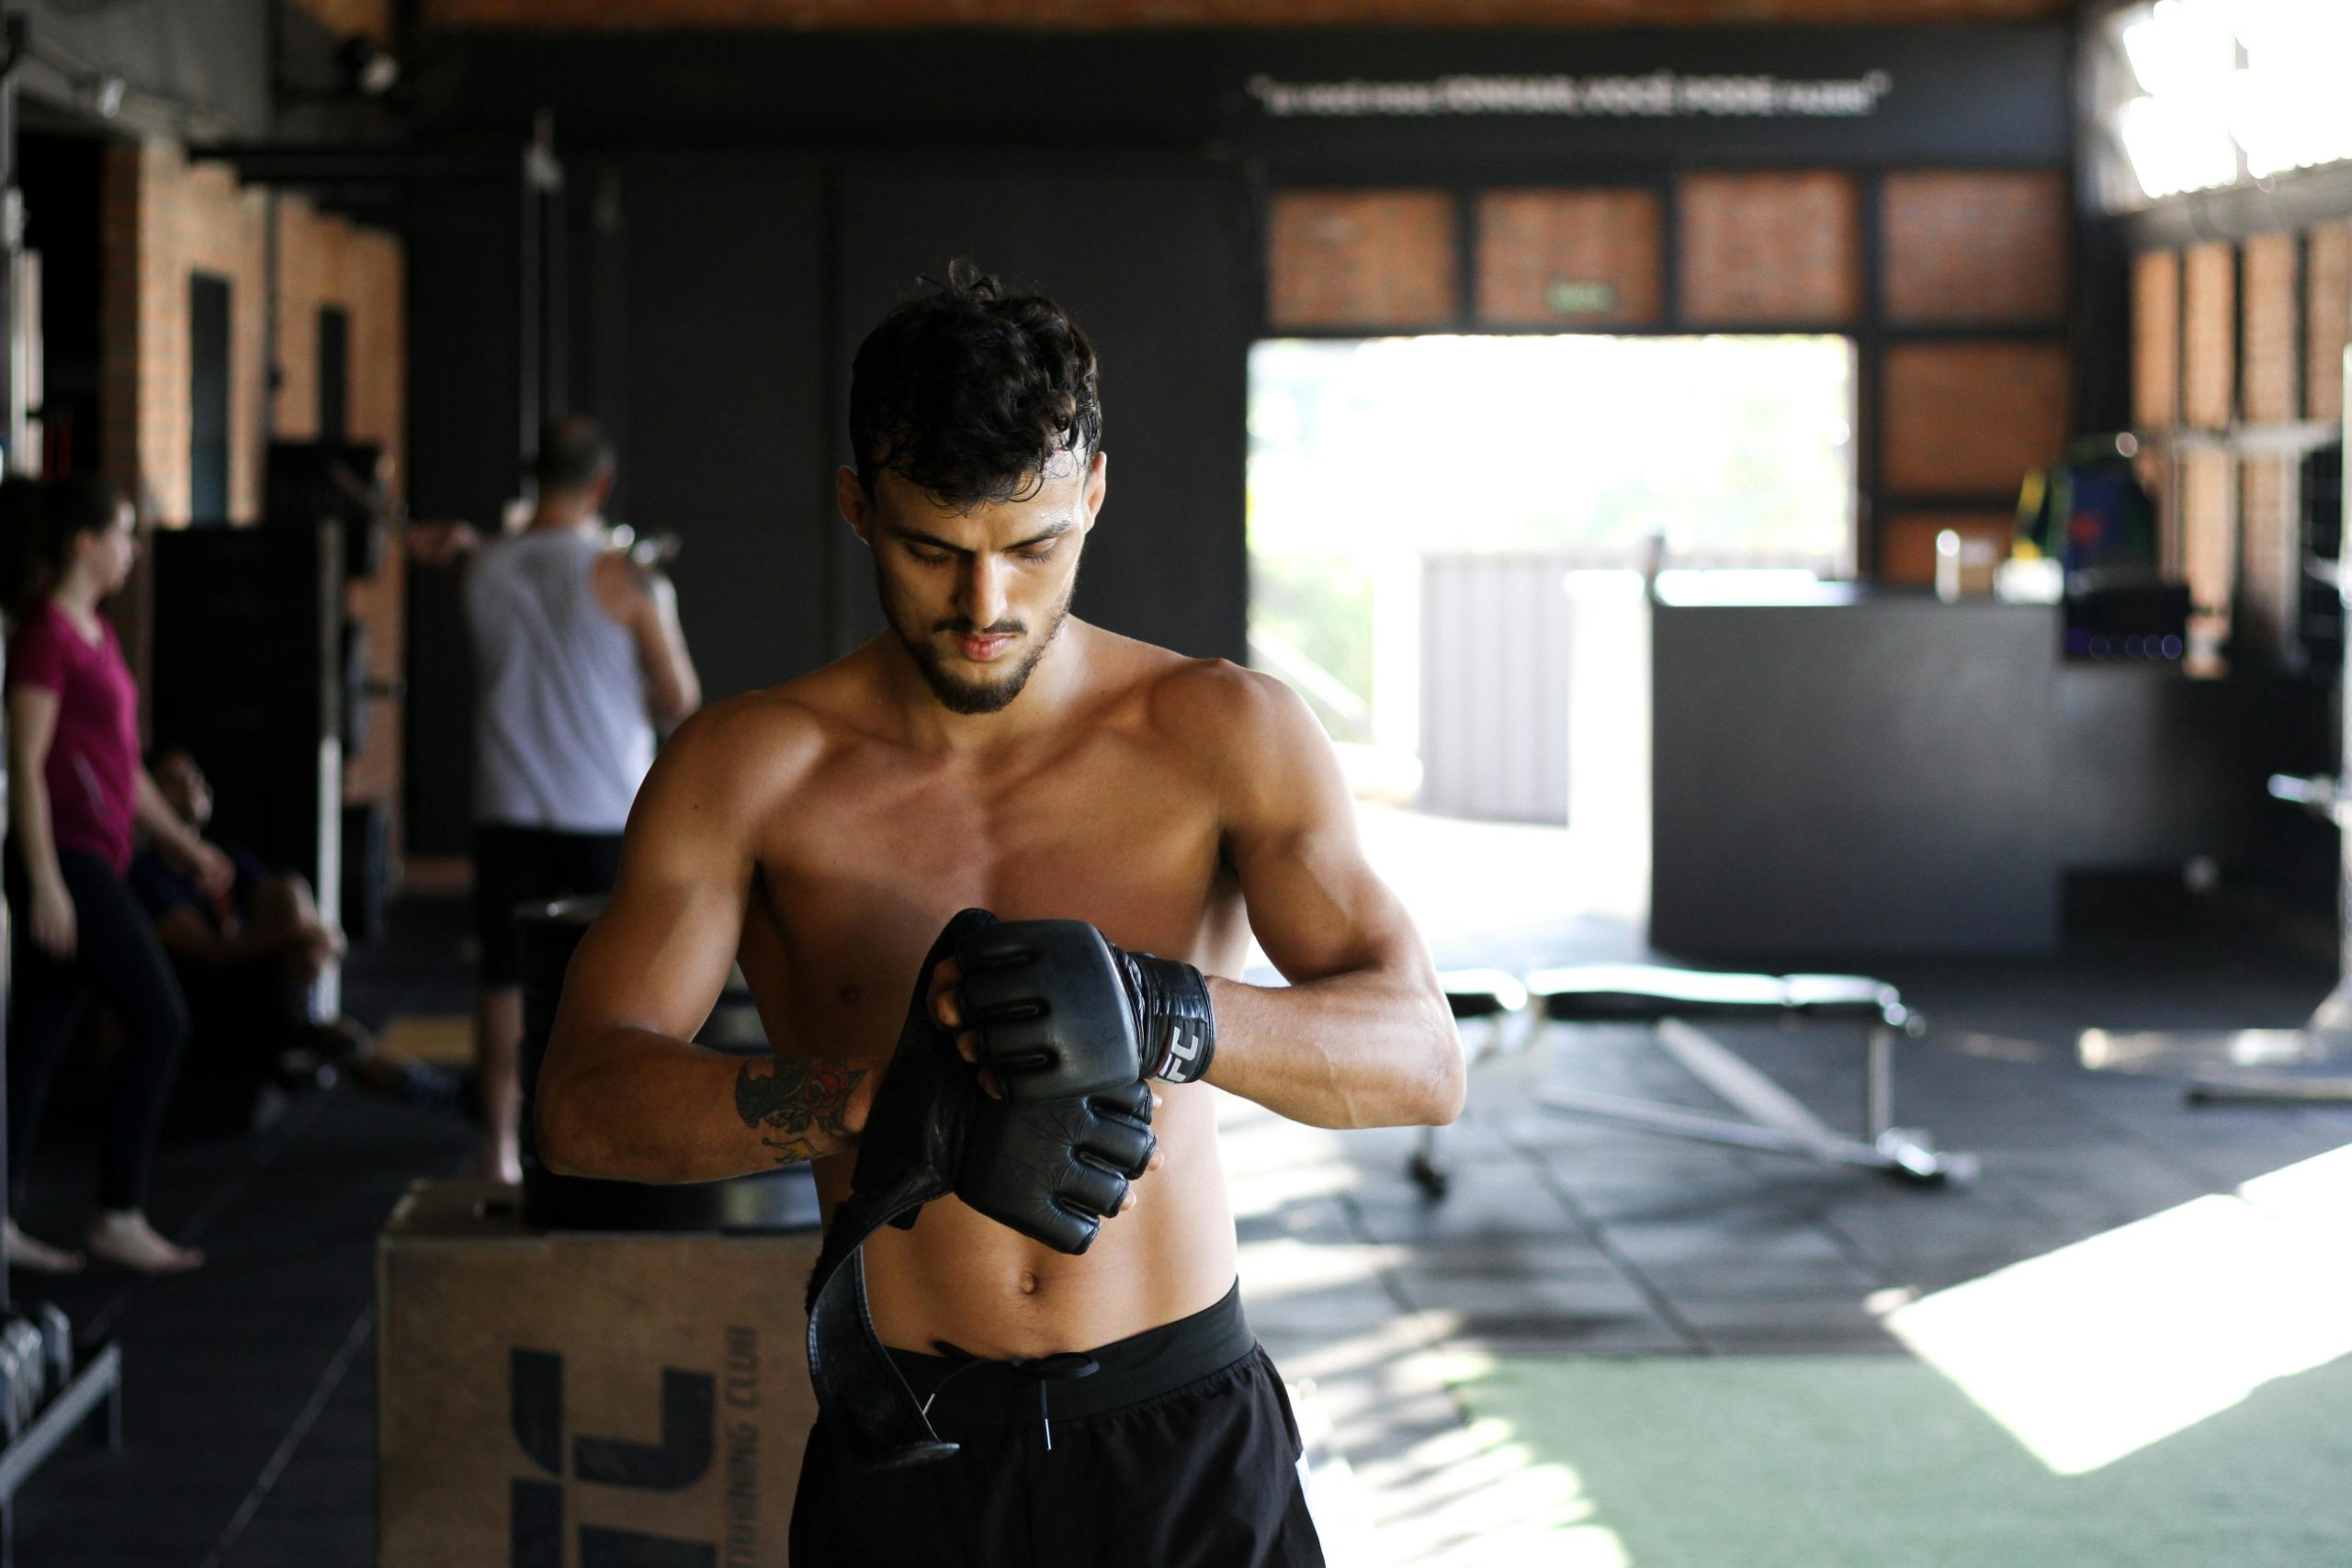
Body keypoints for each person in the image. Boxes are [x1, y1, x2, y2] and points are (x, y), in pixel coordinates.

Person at [534, 265, 1461, 1565]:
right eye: (933, 550)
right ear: (858, 506)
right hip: (912, 1449)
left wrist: (1167, 1009)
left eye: (1032, 548)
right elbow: (577, 1111)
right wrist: (876, 1103)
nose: (986, 609)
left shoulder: (1224, 733)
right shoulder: (747, 769)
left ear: (1091, 490)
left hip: (1180, 1438)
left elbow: (1422, 1057)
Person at [424, 418, 701, 1183]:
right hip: (607, 807)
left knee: (505, 978)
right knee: (612, 982)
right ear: (602, 485)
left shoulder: (481, 569)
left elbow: (472, 568)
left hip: (507, 803)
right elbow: (680, 697)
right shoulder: (628, 577)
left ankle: (499, 1151)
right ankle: (607, 1141)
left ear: (528, 474)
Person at [2, 476, 228, 1275]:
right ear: (85, 542)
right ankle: (118, 1211)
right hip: (63, 858)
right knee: (162, 1021)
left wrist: (180, 845)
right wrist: (45, 881)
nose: (133, 548)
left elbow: (123, 769)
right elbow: (24, 766)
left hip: (99, 854)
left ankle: (4, 1213)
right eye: (125, 533)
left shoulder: (94, 635)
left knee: (32, 1041)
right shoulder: (45, 636)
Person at [131, 749, 458, 1120]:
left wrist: (315, 940)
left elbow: (306, 922)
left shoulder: (229, 859)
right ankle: (303, 1019)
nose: (193, 784)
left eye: (194, 775)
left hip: (264, 992)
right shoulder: (149, 875)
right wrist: (298, 933)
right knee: (339, 1036)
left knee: (289, 890)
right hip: (204, 1007)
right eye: (174, 780)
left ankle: (445, 1095)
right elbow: (211, 951)